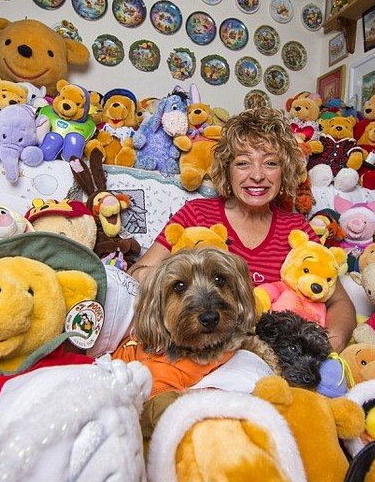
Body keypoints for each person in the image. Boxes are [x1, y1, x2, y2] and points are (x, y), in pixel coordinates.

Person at [129, 107, 357, 352]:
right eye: (243, 163)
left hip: (278, 353)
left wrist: (331, 343)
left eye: (270, 163)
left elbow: (340, 302)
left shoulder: (297, 228)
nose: (257, 175)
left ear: (285, 171)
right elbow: (138, 272)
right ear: (227, 170)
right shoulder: (196, 214)